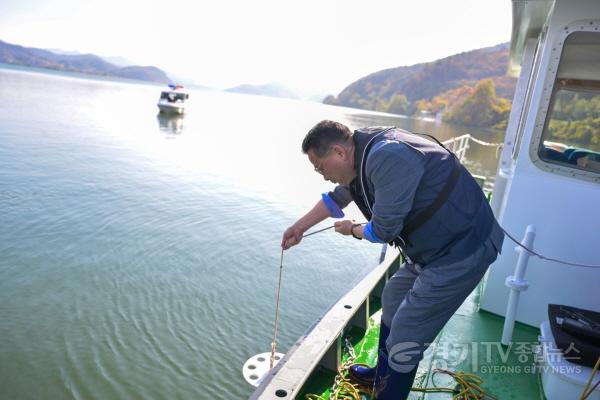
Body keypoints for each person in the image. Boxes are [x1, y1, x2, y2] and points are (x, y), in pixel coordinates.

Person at [281, 120, 504, 400]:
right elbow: (336, 199)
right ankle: (381, 374)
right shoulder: (358, 156)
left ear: (338, 151)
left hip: (461, 250)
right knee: (392, 298)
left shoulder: (387, 156)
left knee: (405, 336)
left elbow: (384, 230)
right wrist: (299, 227)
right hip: (429, 250)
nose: (322, 175)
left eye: (320, 167)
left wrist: (352, 229)